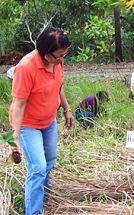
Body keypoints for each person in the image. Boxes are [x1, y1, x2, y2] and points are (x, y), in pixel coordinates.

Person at [9, 26, 73, 215]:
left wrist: (67, 109)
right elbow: (18, 105)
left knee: (50, 159)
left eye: (64, 55)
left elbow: (58, 86)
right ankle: (33, 211)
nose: (61, 60)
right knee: (38, 167)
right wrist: (15, 140)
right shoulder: (26, 68)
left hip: (49, 121)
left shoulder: (57, 62)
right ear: (45, 52)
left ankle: (42, 194)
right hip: (28, 125)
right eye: (58, 56)